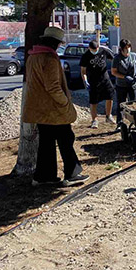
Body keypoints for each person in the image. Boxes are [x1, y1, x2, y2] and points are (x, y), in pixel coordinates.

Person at [23, 27, 89, 187]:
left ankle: (44, 176)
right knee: (66, 139)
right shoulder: (49, 59)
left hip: (40, 110)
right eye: (58, 44)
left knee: (46, 143)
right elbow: (53, 87)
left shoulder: (33, 57)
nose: (59, 46)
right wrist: (65, 102)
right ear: (54, 43)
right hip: (54, 110)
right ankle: (72, 174)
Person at [80, 40, 115, 129]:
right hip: (93, 81)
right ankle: (94, 120)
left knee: (110, 96)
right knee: (93, 101)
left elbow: (113, 58)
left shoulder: (103, 51)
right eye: (92, 49)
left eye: (96, 49)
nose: (94, 51)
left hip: (105, 78)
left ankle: (108, 116)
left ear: (98, 47)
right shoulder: (85, 56)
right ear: (89, 48)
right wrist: (85, 81)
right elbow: (83, 71)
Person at [112, 39, 136, 126]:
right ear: (121, 49)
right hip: (121, 85)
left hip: (133, 84)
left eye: (129, 47)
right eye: (126, 48)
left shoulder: (134, 56)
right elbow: (114, 72)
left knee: (135, 103)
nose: (128, 49)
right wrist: (124, 77)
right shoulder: (117, 58)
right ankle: (120, 123)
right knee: (121, 104)